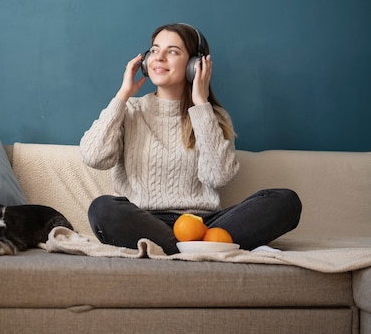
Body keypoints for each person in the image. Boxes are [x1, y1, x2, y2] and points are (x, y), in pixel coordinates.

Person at [80, 23, 301, 254]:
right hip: (144, 222)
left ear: (196, 65)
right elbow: (94, 157)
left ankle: (177, 249)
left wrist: (201, 104)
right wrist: (122, 95)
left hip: (202, 225)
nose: (159, 58)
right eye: (154, 50)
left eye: (173, 51)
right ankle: (199, 250)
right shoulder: (130, 111)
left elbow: (218, 176)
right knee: (102, 209)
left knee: (286, 201)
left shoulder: (212, 115)